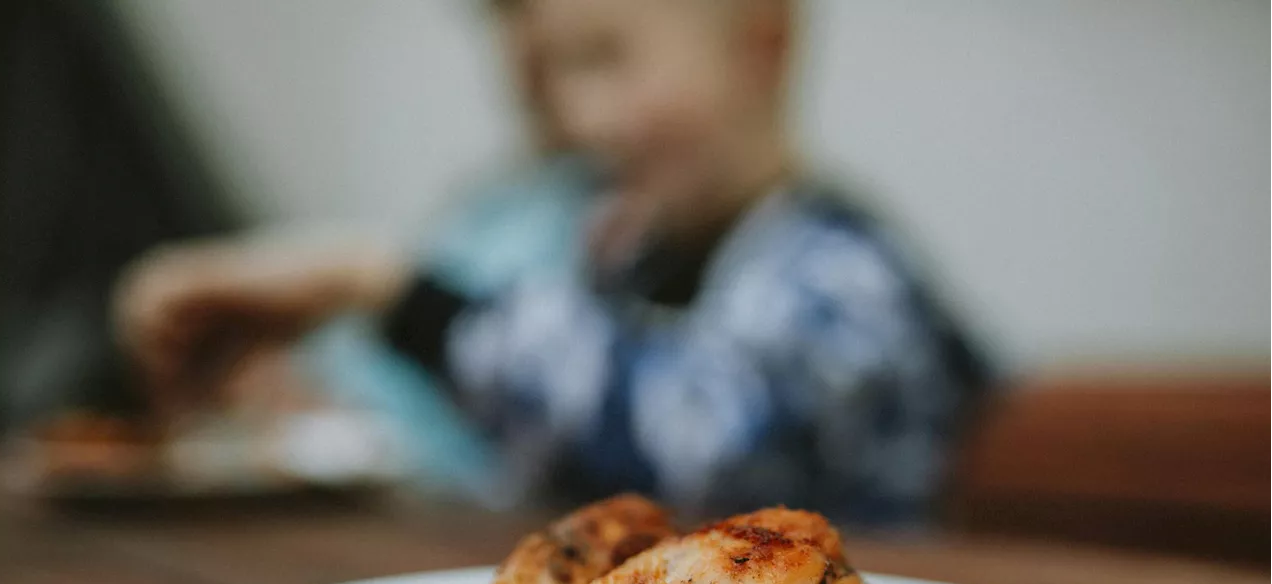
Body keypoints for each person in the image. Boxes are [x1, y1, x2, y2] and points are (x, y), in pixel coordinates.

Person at [118, 0, 989, 527]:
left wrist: (387, 288)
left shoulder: (843, 278)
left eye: (605, 58)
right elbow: (540, 462)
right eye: (557, 76)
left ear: (761, 42)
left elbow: (688, 439)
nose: (578, 118)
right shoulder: (642, 263)